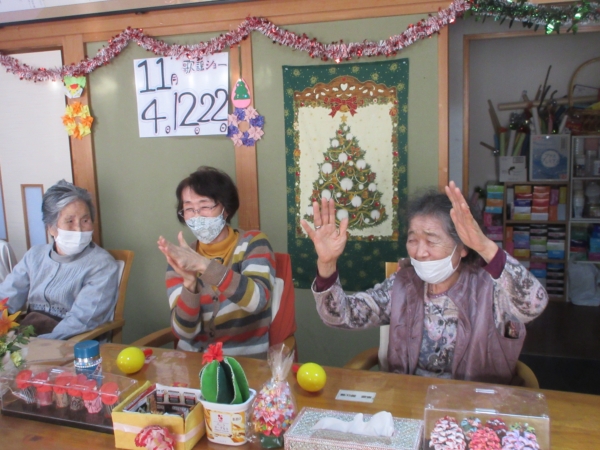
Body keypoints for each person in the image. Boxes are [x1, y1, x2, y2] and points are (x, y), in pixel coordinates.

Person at [301, 181, 548, 385]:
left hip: (473, 407)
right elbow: (341, 316)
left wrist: (484, 246)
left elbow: (533, 305)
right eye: (413, 240)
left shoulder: (490, 287)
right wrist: (327, 263)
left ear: (463, 247)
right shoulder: (403, 283)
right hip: (409, 401)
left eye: (431, 241)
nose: (420, 252)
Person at [158, 166, 274, 358]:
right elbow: (184, 333)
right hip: (192, 363)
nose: (197, 215)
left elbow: (258, 301)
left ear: (225, 209)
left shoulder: (253, 243)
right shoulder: (181, 258)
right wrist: (189, 284)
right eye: (188, 208)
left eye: (204, 206)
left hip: (244, 364)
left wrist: (204, 266)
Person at [2, 180, 120, 340]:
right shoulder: (34, 256)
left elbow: (82, 321)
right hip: (26, 339)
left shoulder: (102, 265)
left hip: (70, 344)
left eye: (85, 220)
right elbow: (6, 298)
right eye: (70, 221)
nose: (78, 229)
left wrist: (36, 345)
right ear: (51, 228)